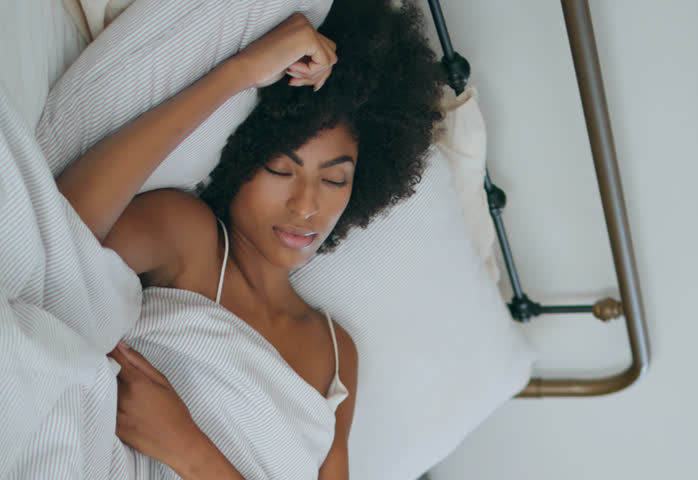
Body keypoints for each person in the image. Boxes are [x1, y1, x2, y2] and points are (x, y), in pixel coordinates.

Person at [55, 1, 443, 478]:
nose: (306, 206)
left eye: (334, 180)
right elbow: (56, 228)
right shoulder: (187, 241)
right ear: (240, 157)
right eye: (280, 169)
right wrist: (237, 74)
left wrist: (189, 450)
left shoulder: (338, 355)